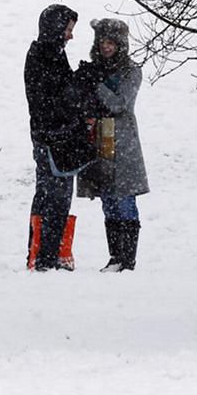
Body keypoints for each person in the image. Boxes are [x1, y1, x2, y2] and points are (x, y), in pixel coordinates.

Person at [23, 4, 92, 272]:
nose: (70, 36)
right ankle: (46, 257)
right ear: (55, 29)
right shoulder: (44, 57)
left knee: (53, 196)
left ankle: (46, 254)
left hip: (56, 138)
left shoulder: (51, 54)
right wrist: (79, 85)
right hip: (53, 140)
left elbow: (60, 94)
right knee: (55, 197)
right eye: (68, 30)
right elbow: (53, 101)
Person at [77, 18, 149, 272]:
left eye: (110, 42)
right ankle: (115, 256)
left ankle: (127, 259)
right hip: (99, 142)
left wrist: (96, 85)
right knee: (108, 199)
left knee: (124, 199)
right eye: (102, 42)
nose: (105, 47)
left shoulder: (131, 71)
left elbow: (120, 104)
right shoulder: (96, 67)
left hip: (123, 143)